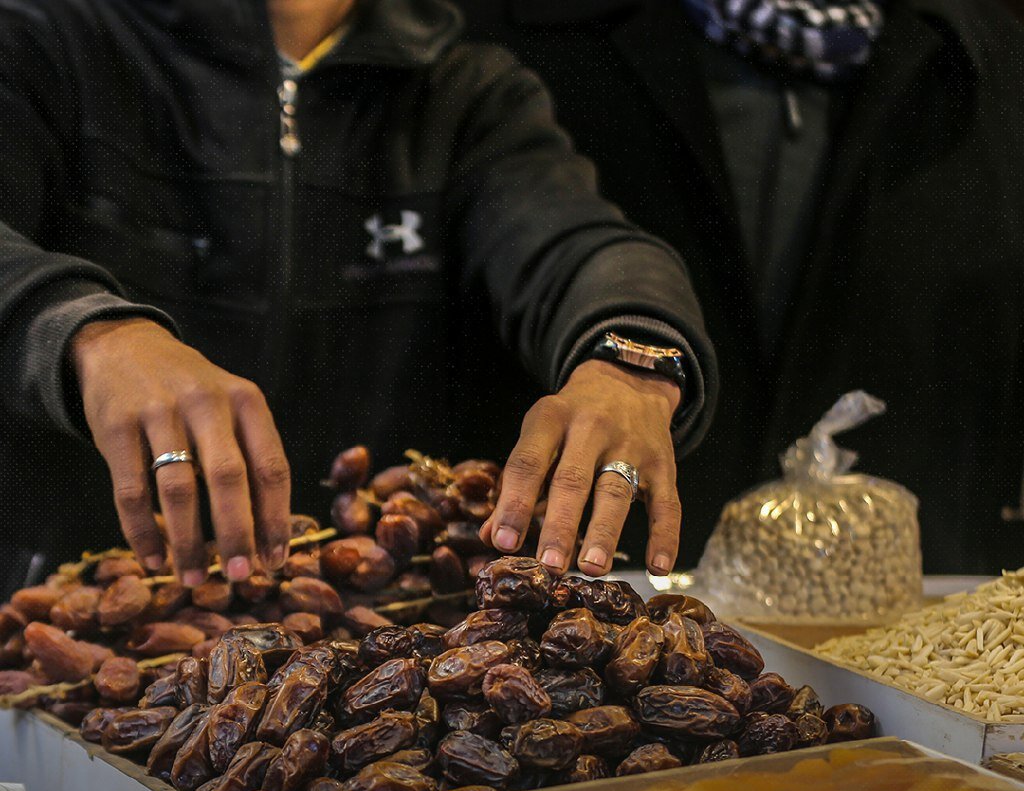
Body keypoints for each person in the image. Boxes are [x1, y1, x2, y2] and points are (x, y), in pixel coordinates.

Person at [0, 0, 718, 600]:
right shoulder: (46, 40)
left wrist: (631, 360)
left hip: (357, 653)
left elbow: (581, 244)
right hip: (57, 636)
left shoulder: (467, 91)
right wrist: (86, 334)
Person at [465, 0, 1024, 575]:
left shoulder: (995, 58)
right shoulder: (494, 50)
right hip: (590, 597)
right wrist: (629, 355)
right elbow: (563, 240)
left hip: (921, 614)